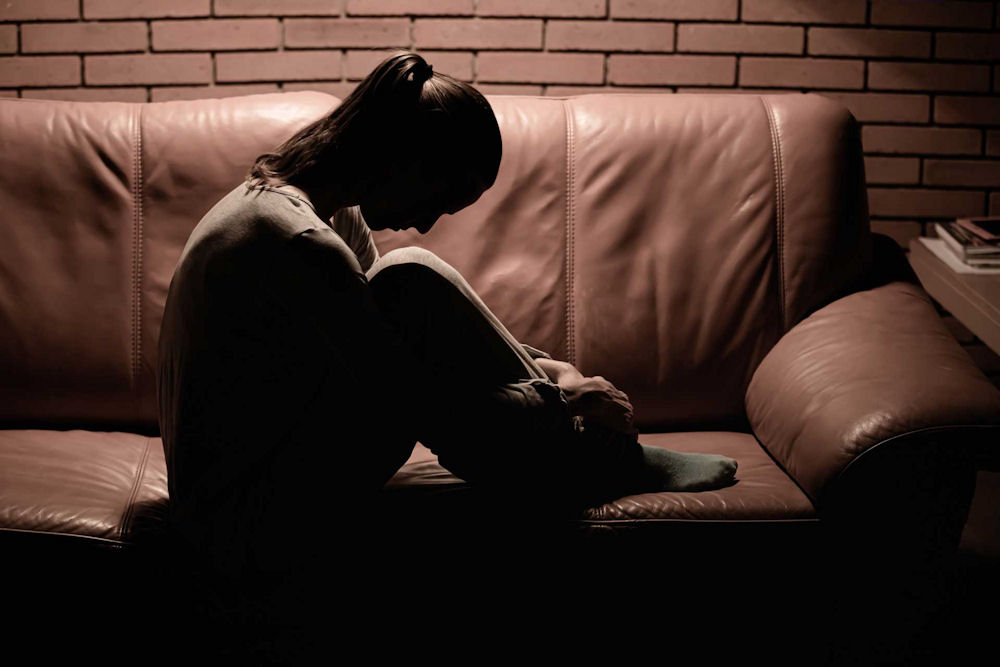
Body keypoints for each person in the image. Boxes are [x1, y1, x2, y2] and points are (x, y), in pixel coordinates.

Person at [157, 51, 737, 595]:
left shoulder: (311, 207)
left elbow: (415, 333)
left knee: (408, 280)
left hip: (256, 485)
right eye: (437, 198)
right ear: (400, 157)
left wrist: (548, 368)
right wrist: (569, 399)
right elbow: (415, 399)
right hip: (243, 524)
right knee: (410, 272)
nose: (428, 222)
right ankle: (599, 461)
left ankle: (587, 453)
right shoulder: (299, 240)